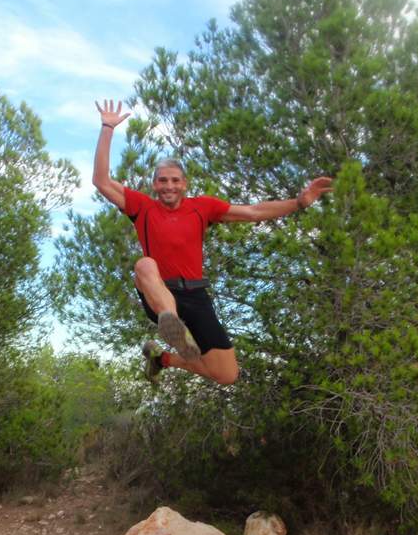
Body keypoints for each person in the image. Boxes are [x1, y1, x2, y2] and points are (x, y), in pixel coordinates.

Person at [92, 99, 332, 385]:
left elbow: (253, 212)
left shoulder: (202, 207)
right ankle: (172, 324)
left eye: (175, 181)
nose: (169, 186)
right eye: (163, 181)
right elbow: (101, 181)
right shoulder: (142, 206)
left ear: (184, 184)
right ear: (155, 185)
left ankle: (162, 358)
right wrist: (107, 128)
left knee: (227, 374)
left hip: (196, 295)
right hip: (160, 292)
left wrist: (298, 203)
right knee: (144, 265)